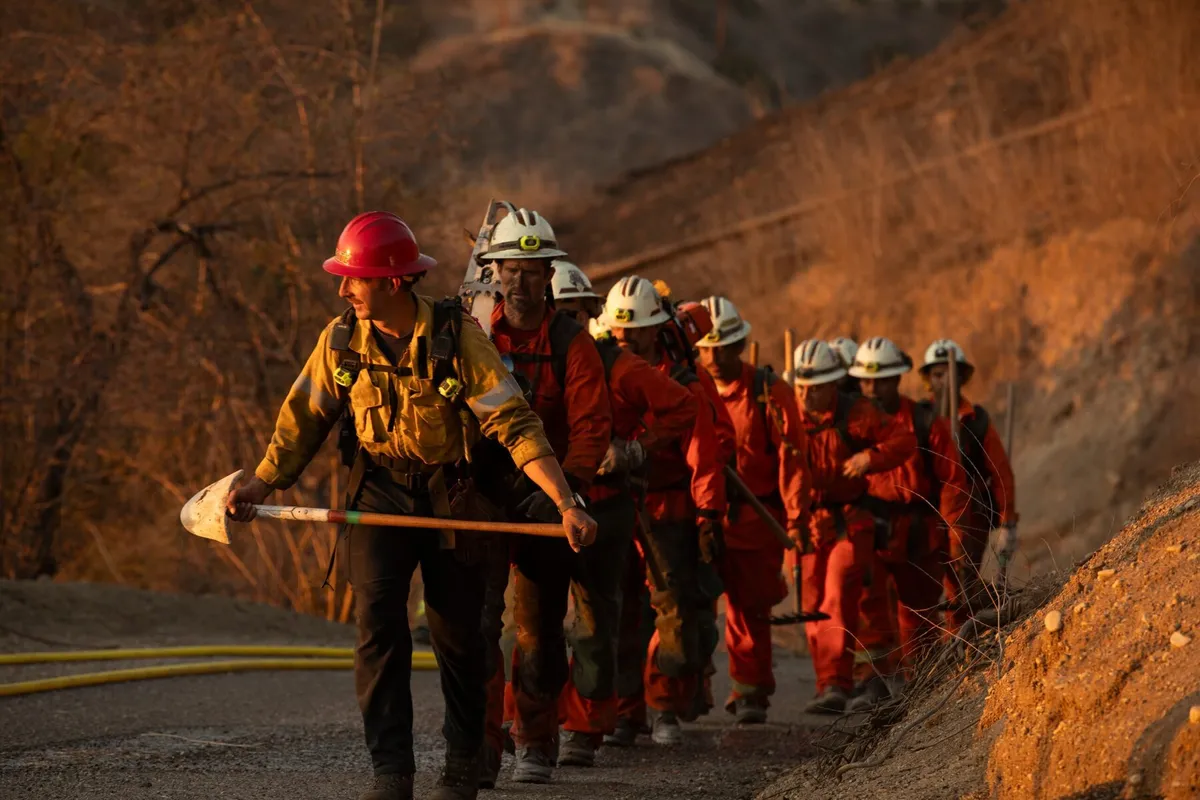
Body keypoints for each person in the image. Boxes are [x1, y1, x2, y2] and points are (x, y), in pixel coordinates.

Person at [225, 211, 598, 800]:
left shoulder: (459, 338)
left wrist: (565, 502)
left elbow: (514, 424)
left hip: (451, 497)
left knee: (459, 638)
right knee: (378, 628)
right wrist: (261, 485)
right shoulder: (340, 341)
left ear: (394, 281)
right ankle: (391, 773)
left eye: (355, 279)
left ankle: (461, 768)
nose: (344, 290)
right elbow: (302, 419)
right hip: (377, 494)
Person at [472, 209, 613, 786]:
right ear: (495, 272)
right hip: (483, 495)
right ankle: (480, 744)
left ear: (549, 276)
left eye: (532, 271)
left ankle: (533, 738)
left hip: (549, 500)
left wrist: (566, 490)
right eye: (511, 270)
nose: (521, 282)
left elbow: (591, 427)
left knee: (536, 630)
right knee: (478, 625)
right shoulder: (474, 333)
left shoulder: (571, 344)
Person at [548, 260, 700, 767]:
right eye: (559, 311)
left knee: (612, 618)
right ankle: (527, 727)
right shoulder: (517, 359)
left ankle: (605, 722)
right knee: (526, 625)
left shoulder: (619, 366)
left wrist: (636, 448)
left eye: (575, 312)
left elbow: (689, 415)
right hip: (541, 504)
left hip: (615, 506)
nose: (566, 321)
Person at [600, 276, 731, 745]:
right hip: (617, 504)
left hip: (668, 510)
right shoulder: (602, 371)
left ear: (656, 329)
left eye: (634, 330)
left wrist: (708, 515)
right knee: (620, 609)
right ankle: (625, 712)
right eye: (618, 330)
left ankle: (664, 708)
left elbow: (704, 454)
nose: (624, 337)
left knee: (672, 611)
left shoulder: (684, 383)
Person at [694, 296, 811, 724]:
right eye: (706, 349)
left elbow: (792, 460)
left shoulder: (768, 391)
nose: (713, 359)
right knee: (692, 604)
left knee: (749, 608)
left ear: (739, 346)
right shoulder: (689, 386)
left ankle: (749, 692)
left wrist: (796, 519)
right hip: (700, 515)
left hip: (755, 517)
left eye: (722, 349)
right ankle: (687, 691)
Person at [789, 339, 915, 714]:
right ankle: (828, 683)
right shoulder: (786, 415)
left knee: (837, 594)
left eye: (815, 388)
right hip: (807, 523)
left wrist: (869, 458)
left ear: (833, 384)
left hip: (851, 520)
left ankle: (837, 683)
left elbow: (903, 440)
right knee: (811, 603)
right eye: (802, 388)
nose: (807, 396)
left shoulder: (855, 414)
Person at [844, 337, 970, 712]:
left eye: (880, 380)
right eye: (865, 382)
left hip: (919, 530)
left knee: (919, 615)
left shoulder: (924, 423)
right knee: (868, 608)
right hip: (870, 527)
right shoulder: (850, 425)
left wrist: (956, 536)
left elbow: (952, 482)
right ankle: (871, 682)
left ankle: (921, 687)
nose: (871, 389)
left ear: (897, 379)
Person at [918, 339, 1018, 632]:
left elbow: (1000, 473)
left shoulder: (976, 420)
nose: (945, 380)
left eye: (951, 373)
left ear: (962, 377)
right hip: (926, 512)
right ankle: (928, 650)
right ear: (929, 379)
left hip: (970, 514)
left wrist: (1007, 522)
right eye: (938, 374)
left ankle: (960, 642)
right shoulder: (918, 417)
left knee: (960, 586)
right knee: (921, 588)